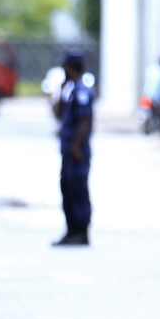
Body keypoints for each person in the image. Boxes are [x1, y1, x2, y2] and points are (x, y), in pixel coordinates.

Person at [54, 51, 93, 246]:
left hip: (77, 152)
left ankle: (81, 231)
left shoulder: (82, 90)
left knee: (78, 190)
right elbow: (58, 115)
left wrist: (76, 146)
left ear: (71, 68)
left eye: (65, 67)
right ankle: (71, 231)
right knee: (67, 189)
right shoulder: (70, 89)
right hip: (68, 151)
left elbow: (84, 122)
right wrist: (61, 91)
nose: (63, 70)